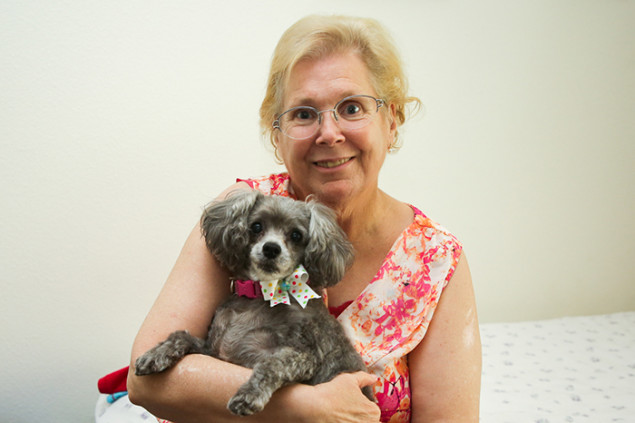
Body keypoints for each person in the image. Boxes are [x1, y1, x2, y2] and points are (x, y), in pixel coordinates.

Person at [126, 14, 481, 423]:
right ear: (277, 135)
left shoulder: (434, 260)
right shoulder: (243, 211)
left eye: (352, 107)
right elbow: (145, 379)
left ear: (392, 120)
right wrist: (302, 406)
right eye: (304, 114)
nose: (328, 133)